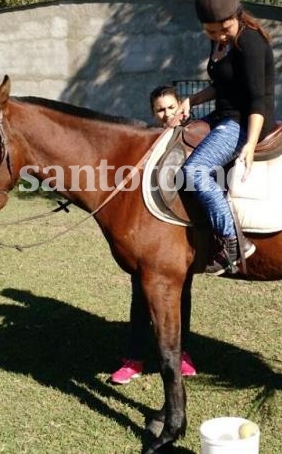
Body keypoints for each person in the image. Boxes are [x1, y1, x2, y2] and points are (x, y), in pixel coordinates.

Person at [179, 0, 276, 276]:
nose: (219, 36)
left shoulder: (251, 42)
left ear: (237, 15)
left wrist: (248, 144)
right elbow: (220, 85)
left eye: (225, 29)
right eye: (211, 31)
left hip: (243, 121)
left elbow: (258, 100)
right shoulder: (218, 39)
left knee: (194, 171)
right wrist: (191, 102)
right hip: (222, 115)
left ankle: (234, 242)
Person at [110, 85, 197, 384]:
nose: (166, 114)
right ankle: (134, 358)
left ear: (181, 107)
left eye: (171, 107)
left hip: (181, 234)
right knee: (140, 295)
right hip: (149, 232)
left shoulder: (195, 138)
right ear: (153, 113)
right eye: (160, 109)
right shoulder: (151, 141)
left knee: (181, 294)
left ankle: (182, 353)